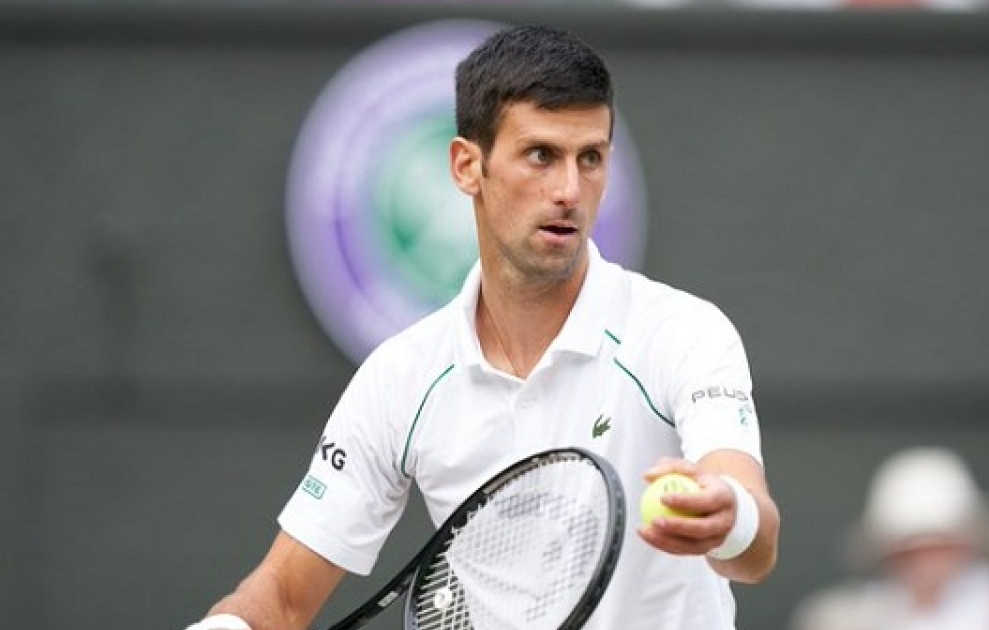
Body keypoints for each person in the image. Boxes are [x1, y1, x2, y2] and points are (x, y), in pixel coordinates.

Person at [183, 24, 780, 630]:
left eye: (591, 158)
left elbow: (755, 542)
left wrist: (729, 517)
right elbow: (283, 594)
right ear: (468, 166)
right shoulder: (401, 377)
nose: (570, 191)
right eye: (541, 155)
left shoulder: (684, 332)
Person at [790, 446, 989, 630]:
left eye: (939, 548)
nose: (926, 563)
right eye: (910, 553)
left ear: (966, 544)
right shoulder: (852, 616)